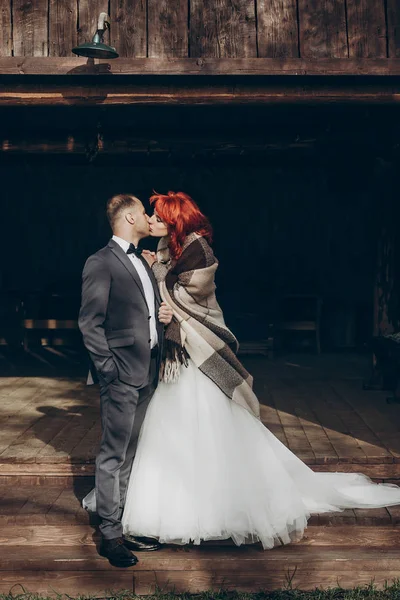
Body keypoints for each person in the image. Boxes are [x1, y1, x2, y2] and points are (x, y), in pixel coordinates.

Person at [118, 190, 400, 550]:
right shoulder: (164, 251)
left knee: (210, 434)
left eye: (158, 217)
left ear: (174, 222)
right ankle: (176, 511)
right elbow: (166, 285)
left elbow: (183, 293)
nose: (152, 221)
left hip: (198, 356)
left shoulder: (198, 252)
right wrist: (156, 268)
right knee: (173, 435)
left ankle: (220, 510)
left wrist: (157, 273)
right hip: (179, 360)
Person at [79, 193, 173, 568]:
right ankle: (110, 535)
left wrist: (161, 317)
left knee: (132, 452)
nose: (149, 219)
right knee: (113, 454)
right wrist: (108, 369)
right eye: (144, 214)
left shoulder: (143, 262)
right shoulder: (101, 262)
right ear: (131, 217)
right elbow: (90, 322)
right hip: (120, 374)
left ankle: (125, 522)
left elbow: (144, 312)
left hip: (147, 369)